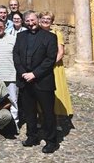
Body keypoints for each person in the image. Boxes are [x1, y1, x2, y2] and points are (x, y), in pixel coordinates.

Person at [13, 10, 59, 153]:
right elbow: (16, 55)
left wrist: (34, 74)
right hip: (25, 81)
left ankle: (51, 141)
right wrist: (22, 73)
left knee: (47, 112)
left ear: (38, 20)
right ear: (24, 22)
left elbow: (50, 60)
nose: (31, 23)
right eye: (28, 21)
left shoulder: (50, 37)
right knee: (29, 112)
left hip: (42, 81)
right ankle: (32, 136)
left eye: (33, 20)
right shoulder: (20, 36)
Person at [39, 11, 73, 121]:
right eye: (43, 18)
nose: (45, 20)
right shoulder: (36, 32)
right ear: (40, 19)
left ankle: (56, 120)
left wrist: (50, 64)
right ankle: (41, 117)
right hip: (39, 67)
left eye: (48, 19)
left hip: (54, 67)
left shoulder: (57, 33)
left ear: (52, 21)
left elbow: (61, 52)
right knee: (39, 91)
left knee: (56, 92)